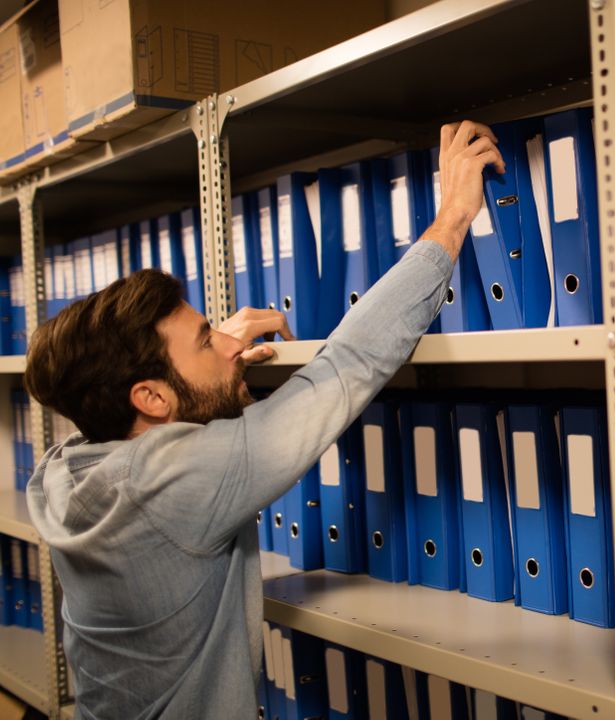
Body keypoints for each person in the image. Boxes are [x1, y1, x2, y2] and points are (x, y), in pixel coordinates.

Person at [23, 121, 505, 720]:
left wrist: (204, 373)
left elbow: (157, 437)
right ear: (148, 397)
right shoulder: (175, 483)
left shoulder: (66, 470)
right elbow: (348, 364)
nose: (226, 344)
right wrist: (454, 214)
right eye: (205, 341)